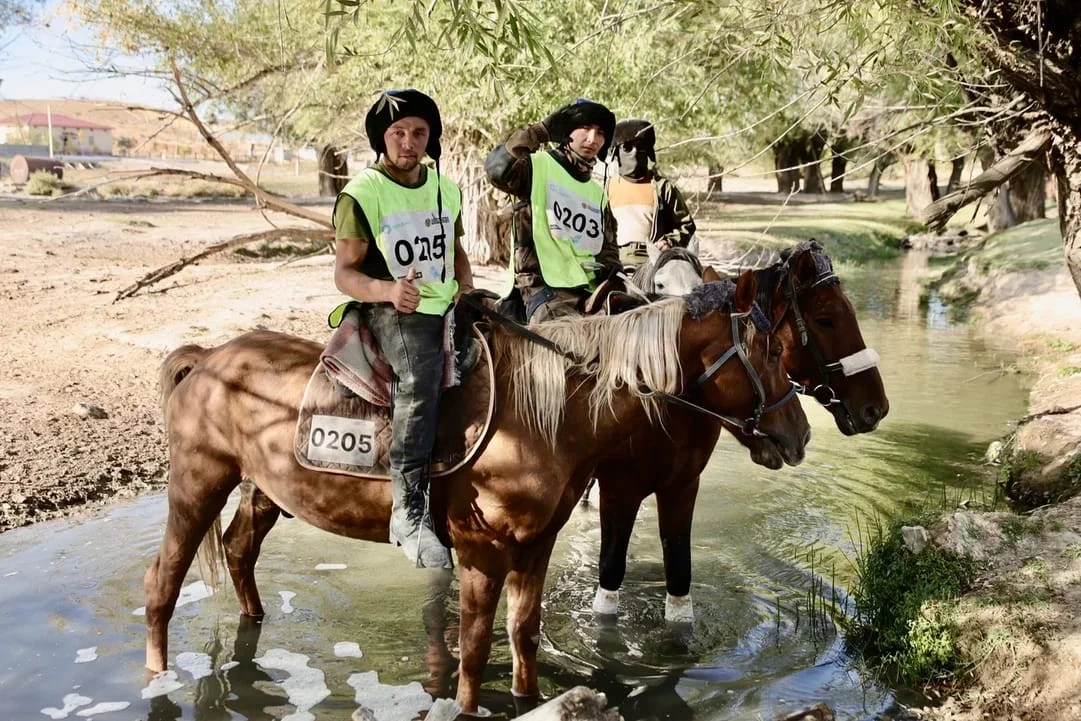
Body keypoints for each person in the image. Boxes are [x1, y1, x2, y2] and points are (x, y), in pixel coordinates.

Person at [331, 89, 474, 568]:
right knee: (419, 378)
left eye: (418, 133)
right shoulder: (362, 193)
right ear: (382, 139)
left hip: (442, 299)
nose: (408, 142)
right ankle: (407, 514)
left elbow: (455, 251)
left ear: (429, 138)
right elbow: (345, 275)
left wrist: (466, 284)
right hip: (389, 305)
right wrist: (389, 292)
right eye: (397, 133)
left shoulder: (445, 188)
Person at [485, 99, 622, 323]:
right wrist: (538, 132)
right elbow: (497, 170)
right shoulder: (535, 166)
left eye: (600, 133)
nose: (592, 139)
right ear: (568, 131)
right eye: (585, 128)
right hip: (542, 288)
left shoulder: (597, 193)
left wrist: (614, 274)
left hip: (590, 291)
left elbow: (607, 249)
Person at [605, 118, 697, 267]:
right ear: (616, 152)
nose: (635, 152)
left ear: (648, 152)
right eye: (627, 147)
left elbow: (686, 225)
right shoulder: (606, 189)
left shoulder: (663, 188)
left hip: (653, 263)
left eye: (641, 147)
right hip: (615, 263)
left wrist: (669, 242)